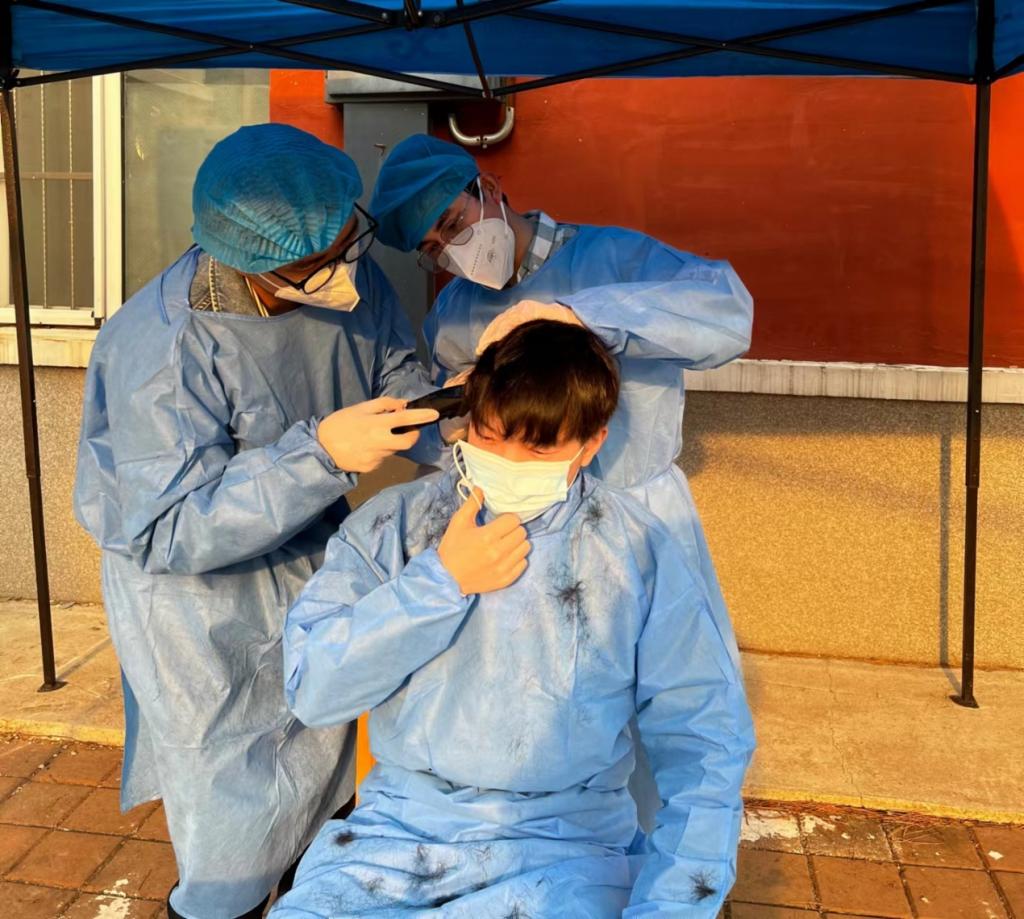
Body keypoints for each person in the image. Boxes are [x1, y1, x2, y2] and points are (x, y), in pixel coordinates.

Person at [73, 123, 451, 919]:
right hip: (201, 615)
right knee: (232, 826)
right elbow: (170, 526)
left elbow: (395, 371)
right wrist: (320, 455)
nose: (352, 266)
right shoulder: (164, 348)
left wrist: (460, 418)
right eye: (331, 259)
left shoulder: (345, 271)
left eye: (354, 242)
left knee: (323, 787)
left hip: (311, 562)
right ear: (262, 264)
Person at [268, 320, 755, 918]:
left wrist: (671, 906)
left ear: (591, 445)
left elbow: (703, 738)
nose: (507, 461)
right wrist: (437, 585)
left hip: (569, 851)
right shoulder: (394, 527)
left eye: (538, 449)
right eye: (490, 436)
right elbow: (314, 690)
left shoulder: (636, 551)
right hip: (394, 841)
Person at [369, 134, 752, 667]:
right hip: (520, 535)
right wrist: (450, 424)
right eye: (433, 250)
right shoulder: (454, 315)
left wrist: (586, 316)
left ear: (488, 187)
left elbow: (729, 315)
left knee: (670, 674)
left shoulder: (619, 260)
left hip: (636, 511)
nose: (451, 251)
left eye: (453, 224)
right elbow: (449, 437)